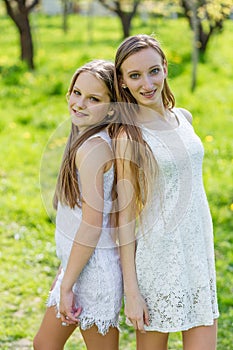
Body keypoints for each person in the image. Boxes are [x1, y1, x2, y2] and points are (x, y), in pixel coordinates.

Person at [113, 34, 219, 350]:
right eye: (135, 76)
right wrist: (132, 293)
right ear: (122, 82)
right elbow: (125, 219)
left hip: (197, 255)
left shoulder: (183, 118)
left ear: (165, 69)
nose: (147, 83)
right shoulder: (128, 138)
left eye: (153, 71)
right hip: (156, 262)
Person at [33, 60, 123, 350]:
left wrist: (67, 284)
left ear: (111, 107)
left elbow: (92, 223)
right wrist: (63, 274)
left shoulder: (93, 148)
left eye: (93, 99)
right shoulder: (87, 140)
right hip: (80, 263)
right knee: (45, 344)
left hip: (94, 272)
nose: (79, 103)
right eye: (76, 92)